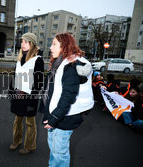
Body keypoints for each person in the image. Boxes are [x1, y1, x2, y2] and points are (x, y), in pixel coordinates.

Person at [42, 33, 94, 167]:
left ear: (64, 46)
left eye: (54, 44)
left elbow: (68, 96)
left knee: (60, 153)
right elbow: (52, 91)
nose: (50, 48)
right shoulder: (60, 63)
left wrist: (54, 117)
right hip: (59, 114)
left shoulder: (70, 65)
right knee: (54, 149)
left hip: (65, 116)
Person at [9, 32, 44, 154]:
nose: (22, 44)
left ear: (32, 44)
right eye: (22, 41)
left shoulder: (38, 60)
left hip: (30, 96)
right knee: (17, 120)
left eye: (26, 42)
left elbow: (38, 84)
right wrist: (11, 90)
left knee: (30, 123)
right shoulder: (19, 59)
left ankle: (30, 146)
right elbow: (15, 75)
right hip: (18, 94)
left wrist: (33, 101)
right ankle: (16, 141)